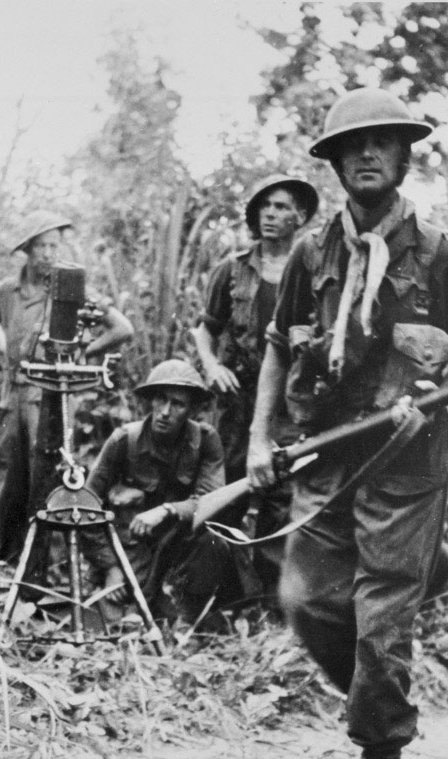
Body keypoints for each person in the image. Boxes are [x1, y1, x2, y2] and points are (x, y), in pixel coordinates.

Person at [246, 88, 448, 759]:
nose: (365, 154)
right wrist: (259, 439)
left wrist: (433, 401)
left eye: (381, 141)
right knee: (305, 599)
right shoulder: (310, 253)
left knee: (381, 617)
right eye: (351, 146)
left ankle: (380, 743)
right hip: (326, 455)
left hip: (408, 464)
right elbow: (276, 343)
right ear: (334, 164)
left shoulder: (443, 255)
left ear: (405, 157)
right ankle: (422, 584)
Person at [192, 173, 319, 608]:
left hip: (289, 405)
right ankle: (221, 600)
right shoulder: (232, 270)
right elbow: (204, 331)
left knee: (282, 499)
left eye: (282, 206)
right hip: (235, 404)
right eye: (265, 206)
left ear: (300, 216)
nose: (271, 213)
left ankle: (274, 603)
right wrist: (211, 367)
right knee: (224, 488)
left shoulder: (313, 271)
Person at [0, 210, 133, 565]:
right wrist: (6, 351)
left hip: (48, 397)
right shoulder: (6, 292)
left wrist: (85, 351)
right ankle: (5, 559)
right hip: (12, 396)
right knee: (7, 478)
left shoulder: (71, 289)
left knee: (46, 477)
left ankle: (39, 565)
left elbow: (122, 328)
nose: (49, 254)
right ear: (27, 250)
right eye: (41, 247)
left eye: (54, 245)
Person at [83, 359, 257, 624]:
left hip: (176, 553)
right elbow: (84, 507)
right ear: (151, 400)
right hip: (130, 552)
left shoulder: (206, 442)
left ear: (192, 409)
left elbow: (211, 502)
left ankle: (190, 613)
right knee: (118, 623)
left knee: (213, 542)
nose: (165, 411)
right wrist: (110, 566)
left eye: (178, 404)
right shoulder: (123, 441)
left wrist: (167, 510)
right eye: (161, 399)